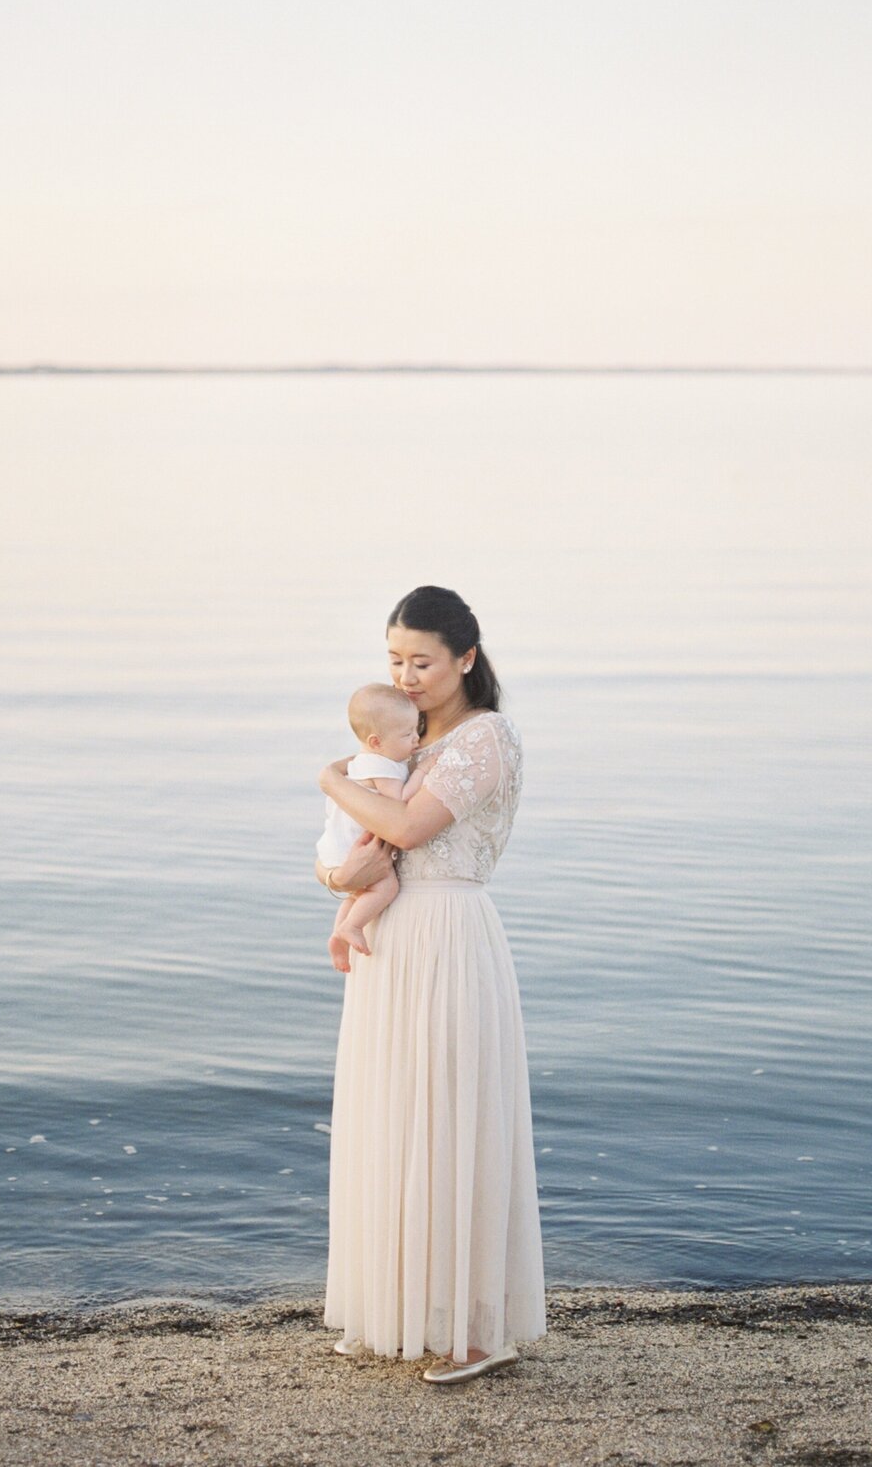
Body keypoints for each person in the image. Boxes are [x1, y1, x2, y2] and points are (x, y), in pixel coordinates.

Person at [315, 585, 547, 1385]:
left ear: (466, 659)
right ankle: (396, 1314)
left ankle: (481, 1332)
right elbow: (342, 853)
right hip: (387, 945)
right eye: (395, 660)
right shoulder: (398, 741)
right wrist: (334, 867)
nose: (407, 676)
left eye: (422, 661)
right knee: (391, 1122)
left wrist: (327, 777)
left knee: (454, 1122)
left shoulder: (487, 740)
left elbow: (407, 830)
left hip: (450, 936)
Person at [316, 683, 436, 973]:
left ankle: (339, 933)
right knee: (386, 887)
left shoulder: (361, 761)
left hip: (338, 849)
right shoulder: (382, 767)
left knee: (359, 895)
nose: (416, 740)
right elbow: (399, 803)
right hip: (355, 849)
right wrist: (422, 771)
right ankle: (352, 927)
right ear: (376, 741)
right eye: (407, 734)